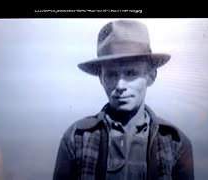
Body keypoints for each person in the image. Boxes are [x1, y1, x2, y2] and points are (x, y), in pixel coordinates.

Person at [53, 20, 194, 180]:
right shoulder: (77, 138)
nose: (120, 85)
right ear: (101, 79)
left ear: (151, 76)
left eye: (131, 73)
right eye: (111, 75)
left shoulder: (175, 143)